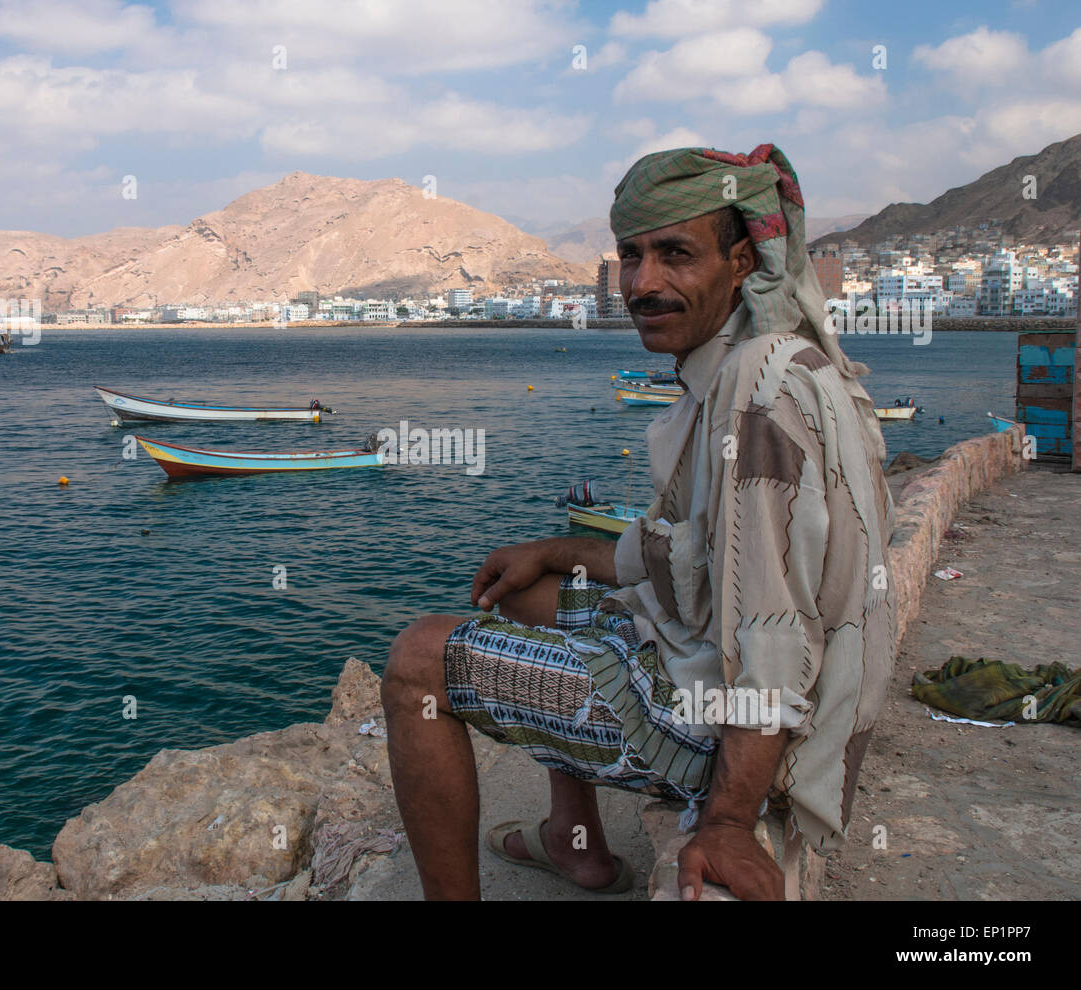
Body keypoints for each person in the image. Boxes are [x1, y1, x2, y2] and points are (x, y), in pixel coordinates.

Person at [381, 143, 897, 901]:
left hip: (739, 728)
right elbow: (681, 555)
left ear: (743, 262)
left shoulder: (758, 398)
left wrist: (725, 821)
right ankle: (573, 841)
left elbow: (776, 640)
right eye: (631, 256)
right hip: (712, 660)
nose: (643, 284)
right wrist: (553, 549)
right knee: (529, 592)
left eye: (676, 255)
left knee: (419, 661)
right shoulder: (739, 364)